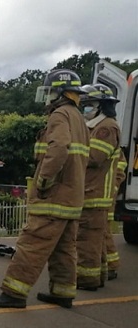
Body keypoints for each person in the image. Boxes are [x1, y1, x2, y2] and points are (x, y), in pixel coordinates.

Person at [0, 69, 89, 309]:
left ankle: (13, 293)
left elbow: (59, 148)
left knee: (32, 244)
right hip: (72, 198)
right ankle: (63, 293)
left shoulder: (60, 115)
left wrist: (44, 180)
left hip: (54, 196)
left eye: (50, 92)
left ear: (59, 92)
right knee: (64, 249)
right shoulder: (78, 118)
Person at [76, 84, 121, 291]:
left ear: (102, 106)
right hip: (92, 192)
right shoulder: (97, 126)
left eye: (88, 105)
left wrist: (72, 148)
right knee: (95, 238)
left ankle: (87, 280)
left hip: (95, 194)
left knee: (88, 240)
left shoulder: (106, 128)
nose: (85, 109)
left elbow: (94, 157)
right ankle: (101, 274)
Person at [104, 142, 128, 281]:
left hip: (105, 195)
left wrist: (114, 186)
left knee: (103, 231)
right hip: (101, 193)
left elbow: (120, 168)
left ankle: (111, 266)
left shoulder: (106, 136)